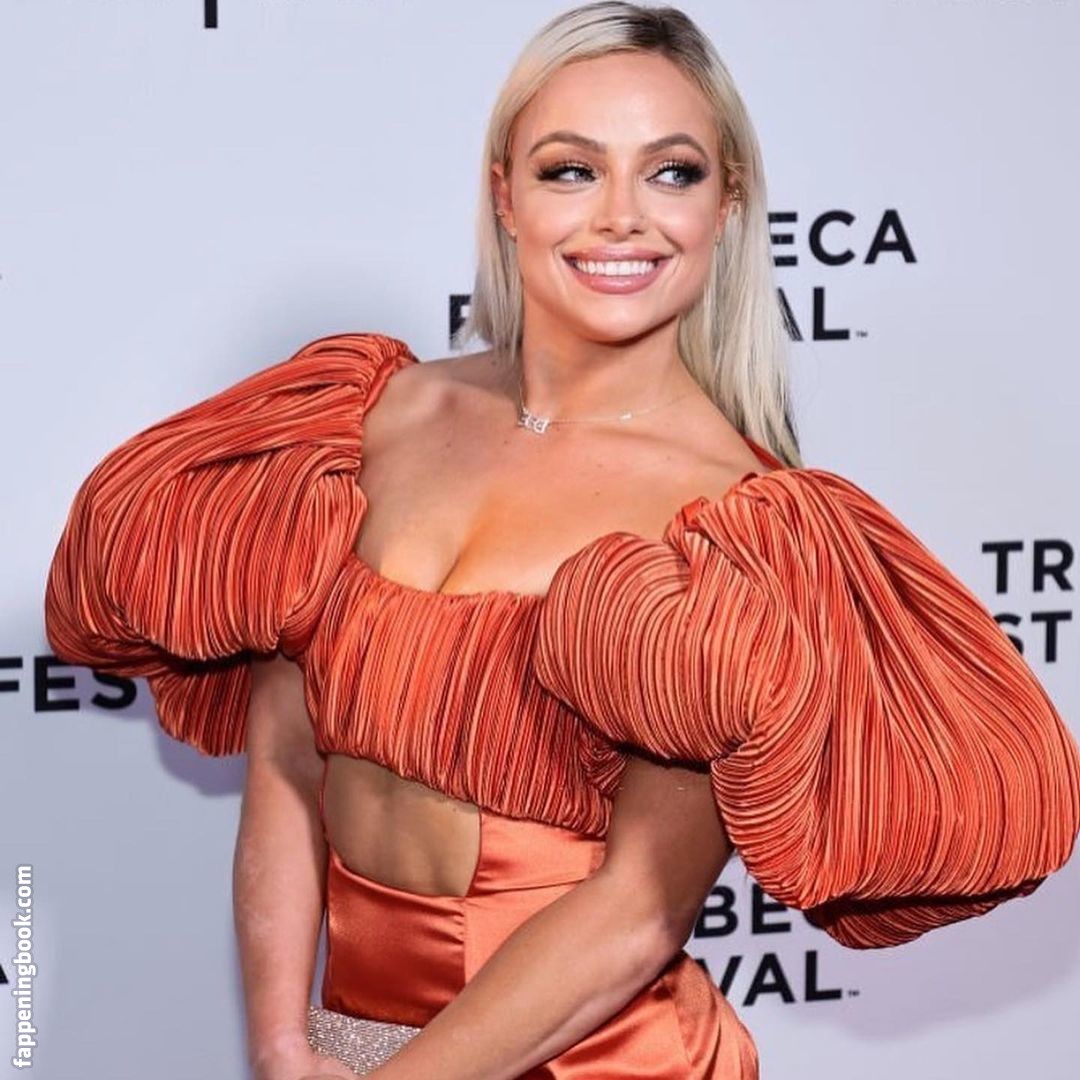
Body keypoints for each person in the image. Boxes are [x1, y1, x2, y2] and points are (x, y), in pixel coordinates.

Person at [43, 3, 1080, 1079]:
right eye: (572, 170)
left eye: (671, 172)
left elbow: (635, 911)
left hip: (595, 1060)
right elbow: (288, 761)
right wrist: (281, 1042)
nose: (622, 217)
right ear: (506, 194)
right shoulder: (361, 420)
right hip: (347, 1042)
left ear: (727, 203)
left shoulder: (735, 524)